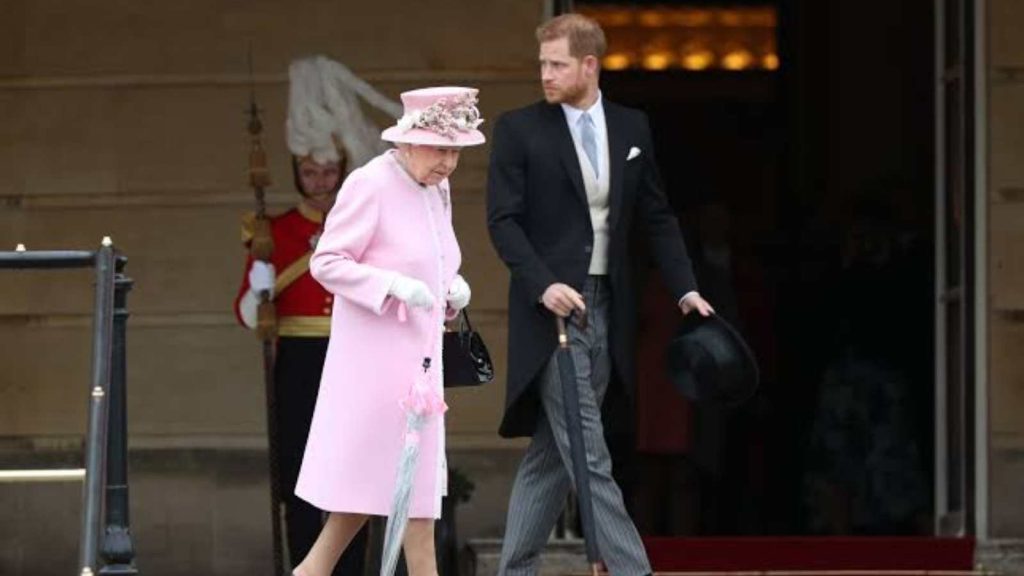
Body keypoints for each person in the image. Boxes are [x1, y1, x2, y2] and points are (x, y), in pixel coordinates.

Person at [486, 13, 713, 576]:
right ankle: (636, 570)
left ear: (589, 65)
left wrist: (685, 288)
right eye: (542, 63)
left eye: (557, 64)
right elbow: (503, 222)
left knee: (550, 458)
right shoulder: (519, 129)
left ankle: (514, 571)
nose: (545, 74)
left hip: (609, 303)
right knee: (588, 451)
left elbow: (657, 216)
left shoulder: (632, 127)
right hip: (552, 313)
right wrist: (543, 285)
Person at [291, 86, 485, 576]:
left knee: (384, 495)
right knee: (407, 500)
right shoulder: (369, 183)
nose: (449, 163)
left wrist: (450, 288)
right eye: (441, 149)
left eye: (456, 152)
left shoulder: (436, 187)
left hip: (419, 364)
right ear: (408, 142)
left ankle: (309, 573)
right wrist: (392, 284)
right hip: (374, 365)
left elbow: (436, 258)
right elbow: (328, 263)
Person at [234, 55, 381, 576]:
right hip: (298, 358)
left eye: (328, 171)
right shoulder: (274, 230)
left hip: (353, 355)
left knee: (355, 475)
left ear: (343, 170)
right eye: (310, 172)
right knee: (298, 474)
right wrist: (260, 289)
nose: (319, 181)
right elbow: (248, 316)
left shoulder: (362, 223)